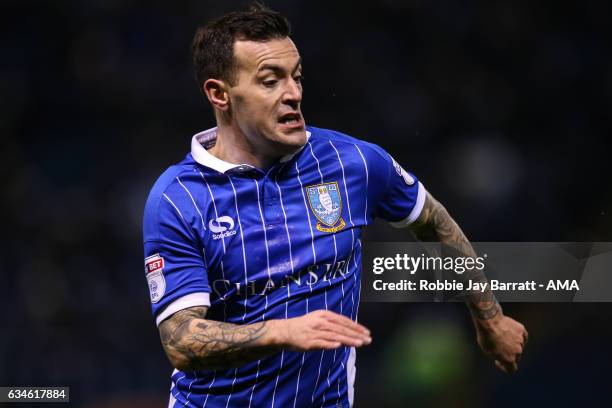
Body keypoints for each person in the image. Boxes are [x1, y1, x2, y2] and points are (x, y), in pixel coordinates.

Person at [142, 4, 527, 407]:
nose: (293, 93)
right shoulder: (178, 199)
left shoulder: (353, 162)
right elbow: (181, 341)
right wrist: (281, 332)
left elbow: (434, 221)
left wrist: (491, 318)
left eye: (297, 76)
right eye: (270, 81)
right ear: (219, 94)